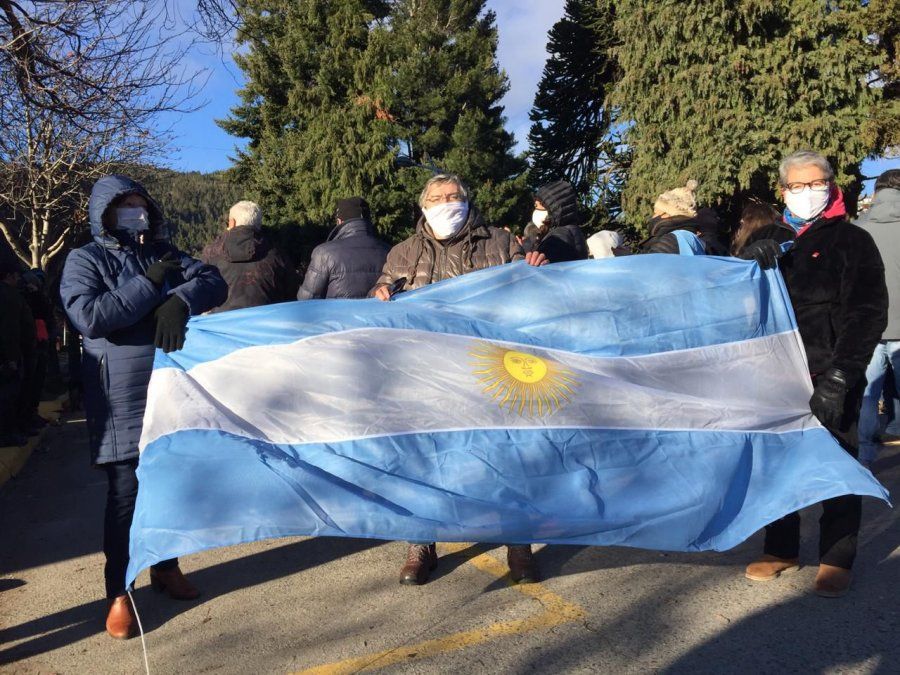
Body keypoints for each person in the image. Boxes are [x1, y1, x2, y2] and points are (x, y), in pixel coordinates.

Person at [60, 175, 228, 639]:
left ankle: (166, 567)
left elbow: (213, 281)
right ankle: (119, 590)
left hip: (167, 391)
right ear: (104, 213)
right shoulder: (84, 259)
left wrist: (179, 298)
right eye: (124, 204)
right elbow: (90, 317)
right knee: (126, 499)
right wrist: (148, 285)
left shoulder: (163, 252)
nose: (135, 210)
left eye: (139, 203)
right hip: (119, 399)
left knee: (169, 486)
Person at [370, 173, 547, 586]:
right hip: (426, 375)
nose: (447, 202)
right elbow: (379, 296)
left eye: (454, 196)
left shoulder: (500, 243)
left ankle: (518, 547)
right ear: (423, 205)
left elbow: (529, 296)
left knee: (506, 458)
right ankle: (421, 543)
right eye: (438, 197)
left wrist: (536, 270)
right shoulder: (403, 252)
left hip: (489, 372)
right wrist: (378, 295)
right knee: (423, 460)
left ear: (467, 201)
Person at [738, 150, 887, 597]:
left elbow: (868, 311)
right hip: (773, 374)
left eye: (816, 183)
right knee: (776, 465)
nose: (807, 193)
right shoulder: (767, 237)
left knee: (836, 462)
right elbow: (736, 304)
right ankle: (780, 548)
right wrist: (751, 264)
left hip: (831, 369)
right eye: (797, 186)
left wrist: (842, 375)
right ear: (783, 191)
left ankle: (836, 556)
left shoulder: (852, 241)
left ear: (831, 185)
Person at [855, 169, 900, 467]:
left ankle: (863, 455)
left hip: (867, 327)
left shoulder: (857, 230)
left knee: (868, 393)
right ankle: (895, 430)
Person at [200, 200, 299, 312]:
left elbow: (200, 290)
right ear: (258, 225)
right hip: (264, 323)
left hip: (221, 324)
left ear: (232, 222)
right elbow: (291, 292)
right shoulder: (276, 254)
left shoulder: (211, 253)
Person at [297, 197, 390, 299]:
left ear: (339, 221)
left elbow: (306, 300)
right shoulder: (389, 251)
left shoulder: (324, 254)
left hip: (335, 315)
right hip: (375, 314)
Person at [0, 258, 34, 448]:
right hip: (11, 355)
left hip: (12, 352)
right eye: (15, 277)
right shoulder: (8, 296)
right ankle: (7, 433)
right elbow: (9, 329)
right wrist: (11, 358)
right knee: (9, 396)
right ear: (9, 276)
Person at [524, 180, 589, 262]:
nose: (535, 210)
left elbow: (551, 250)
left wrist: (540, 256)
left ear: (552, 208)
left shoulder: (561, 233)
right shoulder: (570, 230)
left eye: (537, 206)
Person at [638, 180, 706, 255]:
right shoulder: (696, 240)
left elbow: (652, 265)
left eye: (656, 212)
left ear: (666, 214)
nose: (653, 217)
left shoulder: (669, 241)